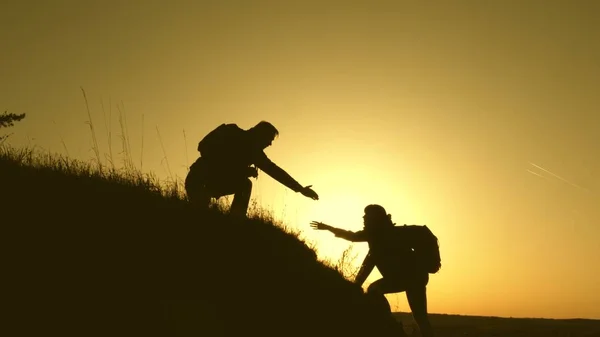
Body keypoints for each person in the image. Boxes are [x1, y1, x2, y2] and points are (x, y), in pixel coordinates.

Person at [310, 204, 435, 337]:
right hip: (416, 277)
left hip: (411, 278)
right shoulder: (382, 234)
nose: (364, 218)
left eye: (367, 215)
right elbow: (370, 258)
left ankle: (387, 322)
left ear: (375, 219)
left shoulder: (379, 235)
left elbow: (355, 240)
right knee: (421, 317)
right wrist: (357, 283)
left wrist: (328, 228)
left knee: (375, 290)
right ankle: (388, 322)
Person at [185, 121, 319, 217]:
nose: (270, 144)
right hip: (199, 179)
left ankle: (236, 221)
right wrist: (239, 170)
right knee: (199, 212)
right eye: (269, 139)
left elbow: (275, 172)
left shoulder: (256, 154)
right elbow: (202, 146)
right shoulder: (231, 131)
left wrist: (300, 189)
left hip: (214, 184)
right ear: (260, 134)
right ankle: (236, 221)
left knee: (244, 184)